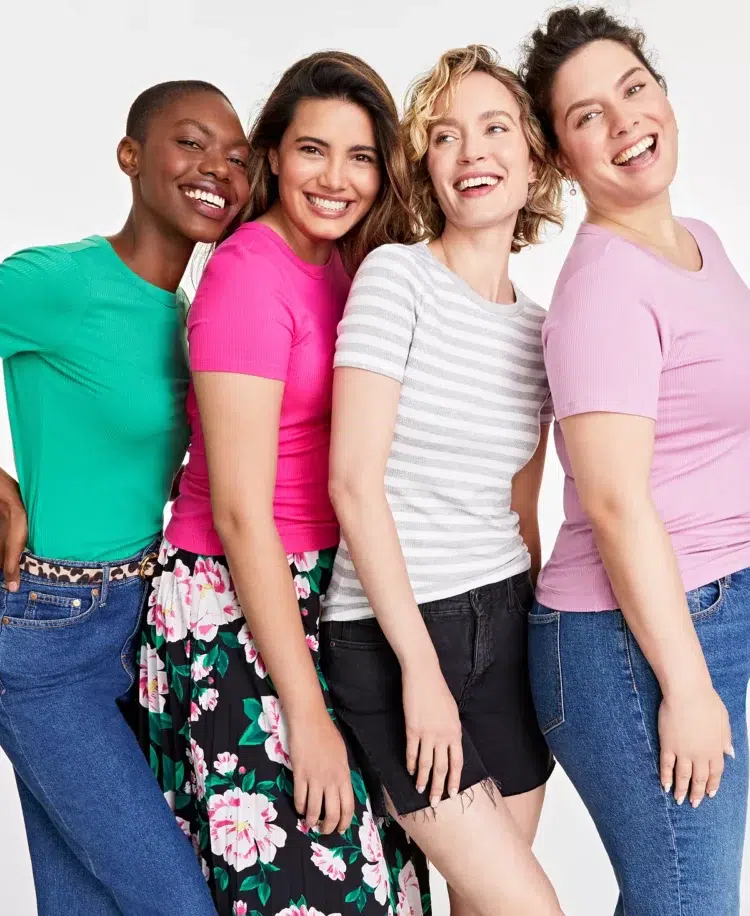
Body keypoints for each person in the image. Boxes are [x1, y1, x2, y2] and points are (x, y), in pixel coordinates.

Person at [138, 52, 430, 916]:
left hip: (326, 592)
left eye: (361, 156)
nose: (335, 179)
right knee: (306, 888)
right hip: (235, 602)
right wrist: (302, 711)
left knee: (387, 880)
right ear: (272, 155)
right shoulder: (248, 273)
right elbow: (238, 511)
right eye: (313, 150)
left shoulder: (353, 267)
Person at [320, 46, 564, 916]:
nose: (472, 154)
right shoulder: (396, 279)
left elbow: (522, 502)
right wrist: (418, 669)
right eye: (446, 136)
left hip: (502, 622)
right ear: (427, 162)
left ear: (534, 156)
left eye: (495, 128)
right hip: (392, 635)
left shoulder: (541, 328)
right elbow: (352, 482)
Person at [0, 80, 251, 915]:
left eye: (237, 156)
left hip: (139, 628)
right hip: (44, 633)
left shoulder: (189, 315)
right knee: (174, 902)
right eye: (190, 142)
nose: (216, 166)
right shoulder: (61, 281)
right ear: (131, 156)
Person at [519, 7, 750, 914]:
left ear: (662, 93)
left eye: (633, 90)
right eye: (586, 117)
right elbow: (615, 506)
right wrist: (686, 687)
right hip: (629, 640)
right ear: (563, 157)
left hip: (709, 603)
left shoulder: (701, 242)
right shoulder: (606, 287)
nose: (623, 125)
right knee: (686, 898)